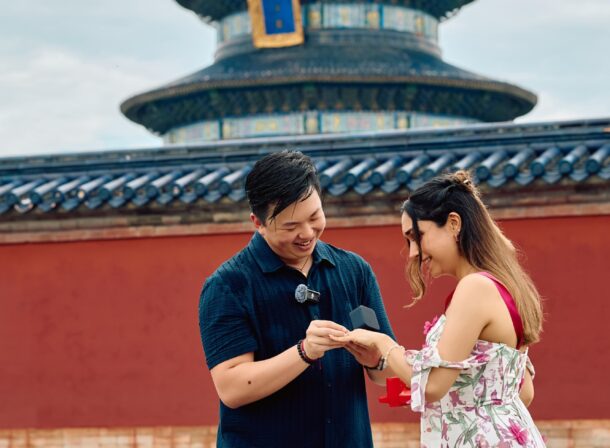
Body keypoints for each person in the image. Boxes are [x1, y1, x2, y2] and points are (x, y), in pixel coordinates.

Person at [332, 170, 546, 447]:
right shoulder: (506, 284)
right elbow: (524, 392)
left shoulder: (474, 288)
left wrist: (384, 344)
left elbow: (432, 385)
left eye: (415, 236)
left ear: (453, 223)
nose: (412, 253)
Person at [198, 150, 395, 447]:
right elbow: (232, 387)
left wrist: (377, 360)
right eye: (290, 227)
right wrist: (305, 351)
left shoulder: (354, 271)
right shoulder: (228, 285)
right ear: (258, 223)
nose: (306, 233)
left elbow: (385, 375)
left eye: (315, 217)